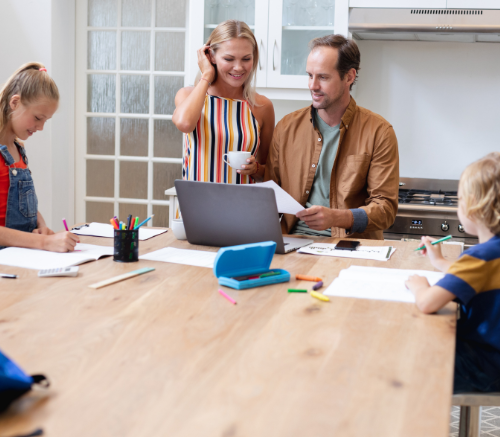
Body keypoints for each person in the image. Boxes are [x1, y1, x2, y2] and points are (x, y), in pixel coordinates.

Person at [265, 34, 399, 239]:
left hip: (349, 246)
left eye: (323, 77)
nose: (312, 85)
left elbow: (385, 210)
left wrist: (337, 218)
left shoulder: (379, 132)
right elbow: (269, 196)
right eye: (310, 75)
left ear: (349, 76)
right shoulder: (286, 128)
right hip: (292, 242)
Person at [406, 153, 500, 393]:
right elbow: (476, 278)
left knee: (406, 359)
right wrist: (440, 261)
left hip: (483, 364)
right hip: (493, 358)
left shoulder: (481, 257)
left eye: (459, 200)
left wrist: (419, 285)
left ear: (475, 208)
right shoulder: (490, 257)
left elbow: (427, 303)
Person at [174, 20, 275, 184]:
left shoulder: (262, 106)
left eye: (246, 59)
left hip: (243, 206)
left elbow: (268, 173)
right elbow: (185, 124)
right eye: (229, 59)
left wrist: (255, 169)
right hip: (196, 206)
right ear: (211, 56)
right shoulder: (188, 95)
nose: (238, 67)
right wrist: (206, 75)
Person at [0, 63, 79, 252]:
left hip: (21, 253)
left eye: (45, 120)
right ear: (15, 102)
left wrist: (41, 225)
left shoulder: (17, 151)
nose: (41, 127)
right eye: (37, 118)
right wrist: (44, 243)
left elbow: (24, 203)